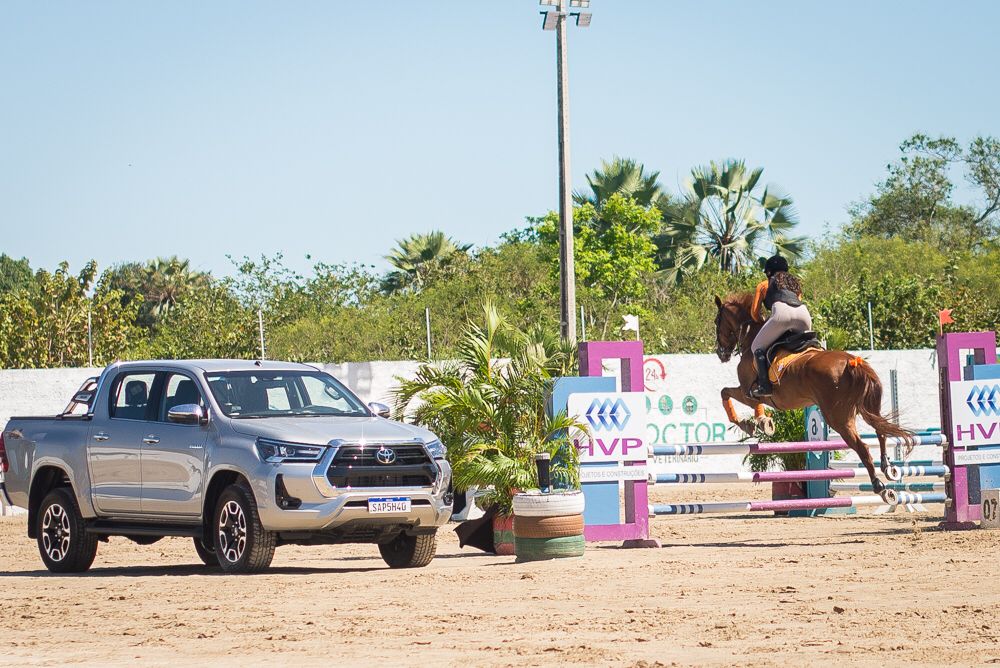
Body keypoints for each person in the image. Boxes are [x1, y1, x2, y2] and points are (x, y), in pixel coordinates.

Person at [748, 254, 812, 397]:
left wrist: (763, 320)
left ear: (769, 272)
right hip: (804, 315)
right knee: (809, 344)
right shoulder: (795, 284)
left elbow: (754, 313)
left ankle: (764, 386)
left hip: (781, 315)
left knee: (755, 348)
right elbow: (797, 300)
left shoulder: (764, 284)